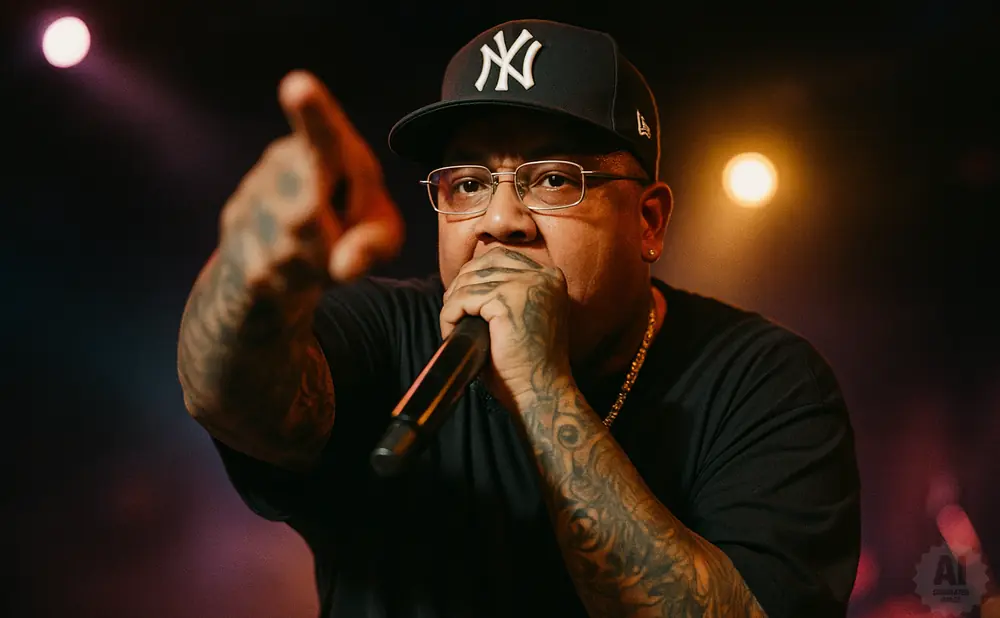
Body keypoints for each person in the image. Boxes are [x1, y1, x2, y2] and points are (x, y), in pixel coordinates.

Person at [177, 18, 861, 618]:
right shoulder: (388, 330)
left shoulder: (763, 380)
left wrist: (539, 384)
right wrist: (250, 284)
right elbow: (228, 398)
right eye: (468, 184)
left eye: (554, 179)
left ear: (649, 222)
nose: (501, 220)